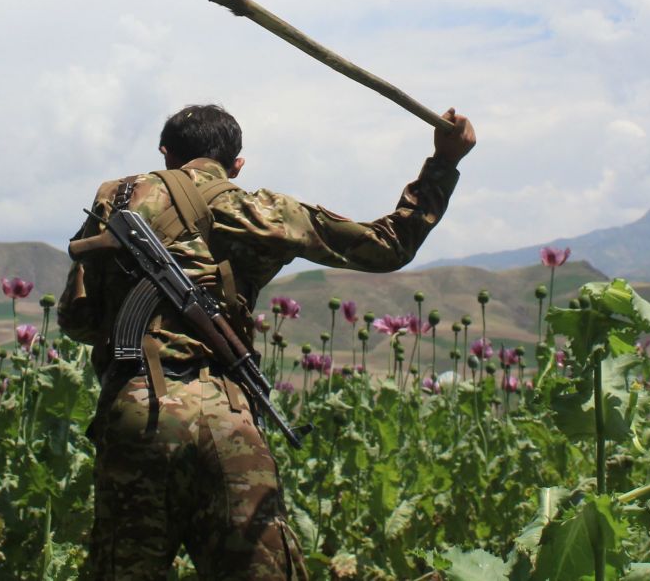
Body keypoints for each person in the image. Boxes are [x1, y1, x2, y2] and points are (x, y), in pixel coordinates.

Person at [58, 102, 477, 580]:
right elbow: (388, 246)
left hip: (137, 412)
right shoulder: (263, 211)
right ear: (237, 165)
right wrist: (443, 164)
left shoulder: (118, 198)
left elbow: (78, 318)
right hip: (227, 413)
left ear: (166, 154)